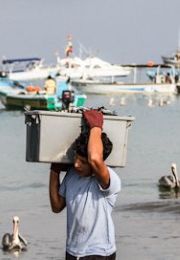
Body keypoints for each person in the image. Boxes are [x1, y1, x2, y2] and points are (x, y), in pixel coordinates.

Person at [49, 109, 120, 260]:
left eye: (82, 161)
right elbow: (56, 206)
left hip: (99, 252)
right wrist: (54, 171)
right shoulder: (72, 176)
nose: (76, 164)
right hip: (73, 251)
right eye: (75, 158)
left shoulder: (108, 180)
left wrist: (96, 126)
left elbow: (95, 158)